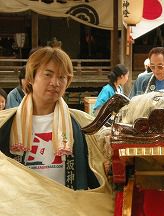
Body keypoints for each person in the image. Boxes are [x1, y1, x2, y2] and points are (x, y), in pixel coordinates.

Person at [0, 46, 104, 190]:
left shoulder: (81, 122)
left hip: (66, 207)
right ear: (30, 78)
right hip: (19, 208)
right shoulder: (5, 123)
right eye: (48, 74)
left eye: (62, 77)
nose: (55, 83)